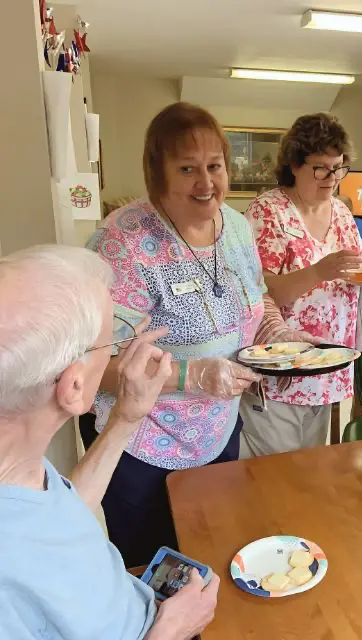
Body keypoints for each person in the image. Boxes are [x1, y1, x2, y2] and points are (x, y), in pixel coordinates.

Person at [84, 102, 306, 568]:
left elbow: (257, 298)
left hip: (219, 428)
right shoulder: (123, 244)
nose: (206, 184)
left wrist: (280, 338)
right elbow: (93, 367)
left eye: (214, 166)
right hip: (142, 444)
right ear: (157, 172)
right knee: (157, 570)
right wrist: (192, 375)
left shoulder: (239, 229)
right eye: (187, 169)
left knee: (214, 550)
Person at [0, 245, 219, 640]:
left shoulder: (17, 461)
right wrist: (171, 629)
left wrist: (126, 416)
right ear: (74, 386)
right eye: (112, 340)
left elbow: (60, 519)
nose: (123, 346)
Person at [240, 113, 362, 456]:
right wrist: (318, 272)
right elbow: (260, 294)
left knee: (311, 466)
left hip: (328, 359)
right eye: (321, 168)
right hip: (283, 363)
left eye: (339, 167)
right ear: (295, 164)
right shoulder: (268, 212)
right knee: (275, 473)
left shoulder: (340, 212)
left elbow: (357, 271)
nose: (332, 178)